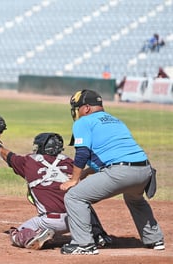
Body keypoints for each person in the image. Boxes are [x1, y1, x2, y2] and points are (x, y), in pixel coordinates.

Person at [0, 115, 111, 250]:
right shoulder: (70, 163)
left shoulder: (28, 162)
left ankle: (33, 236)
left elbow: (6, 155)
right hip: (78, 218)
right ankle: (99, 235)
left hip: (51, 221)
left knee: (16, 234)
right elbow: (98, 164)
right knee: (83, 201)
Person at [60, 89, 164, 255]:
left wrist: (74, 179)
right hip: (144, 171)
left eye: (77, 108)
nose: (76, 112)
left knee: (74, 197)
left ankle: (83, 244)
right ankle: (155, 239)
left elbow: (82, 153)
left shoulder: (83, 122)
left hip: (120, 172)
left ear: (86, 108)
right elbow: (115, 153)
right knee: (135, 198)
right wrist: (87, 172)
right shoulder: (115, 121)